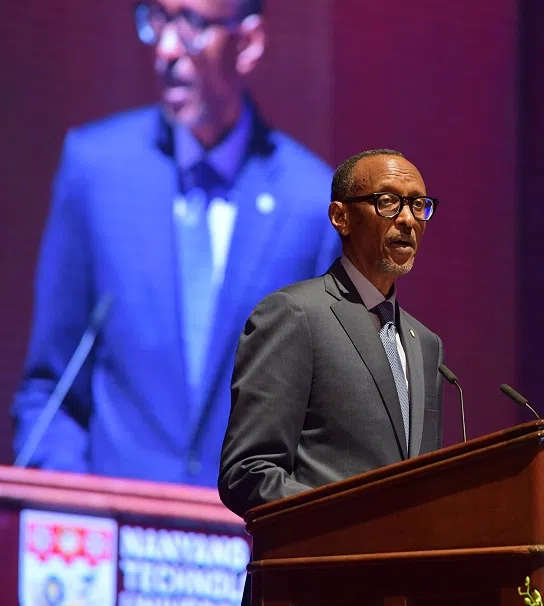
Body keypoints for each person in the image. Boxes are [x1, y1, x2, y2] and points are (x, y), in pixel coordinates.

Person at [10, 0, 340, 486]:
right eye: (158, 20)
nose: (165, 48)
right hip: (112, 534)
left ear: (247, 43)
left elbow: (327, 433)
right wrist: (75, 504)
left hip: (245, 547)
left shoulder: (312, 209)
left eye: (191, 26)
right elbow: (51, 391)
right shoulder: (98, 172)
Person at [218, 149, 445, 517]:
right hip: (318, 568)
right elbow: (248, 473)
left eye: (419, 204)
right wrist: (348, 525)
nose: (407, 219)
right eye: (388, 202)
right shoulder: (294, 314)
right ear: (341, 217)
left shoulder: (427, 346)